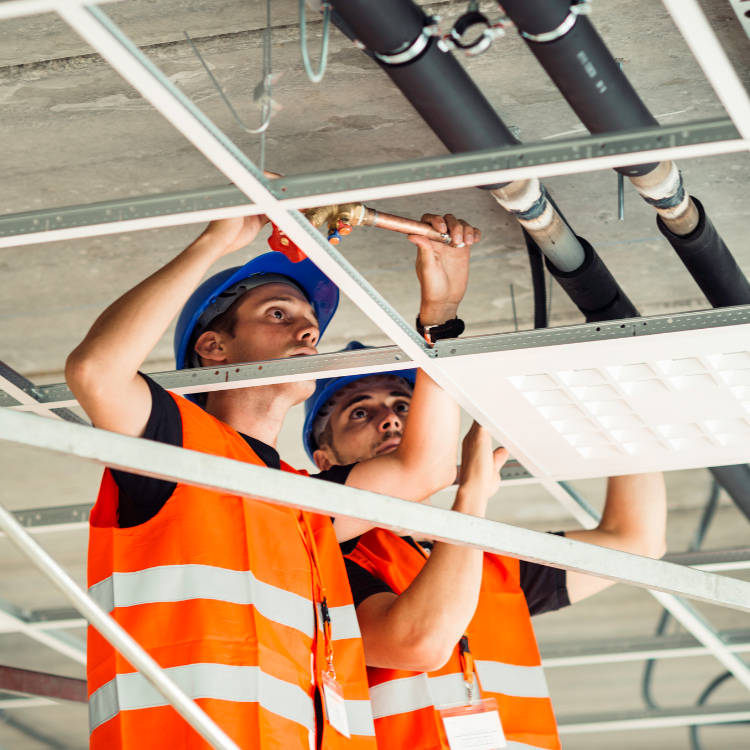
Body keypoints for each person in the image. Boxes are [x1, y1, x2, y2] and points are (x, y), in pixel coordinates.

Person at [66, 207, 480, 749]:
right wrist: (214, 242)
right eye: (278, 314)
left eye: (309, 322)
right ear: (214, 347)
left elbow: (424, 469)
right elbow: (96, 372)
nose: (308, 330)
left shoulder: (297, 500)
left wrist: (441, 313)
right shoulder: (176, 448)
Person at [304, 313, 668, 746]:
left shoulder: (487, 564)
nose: (390, 420)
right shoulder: (325, 560)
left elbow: (636, 541)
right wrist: (472, 496)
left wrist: (622, 404)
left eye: (403, 406)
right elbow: (417, 642)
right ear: (325, 460)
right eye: (360, 412)